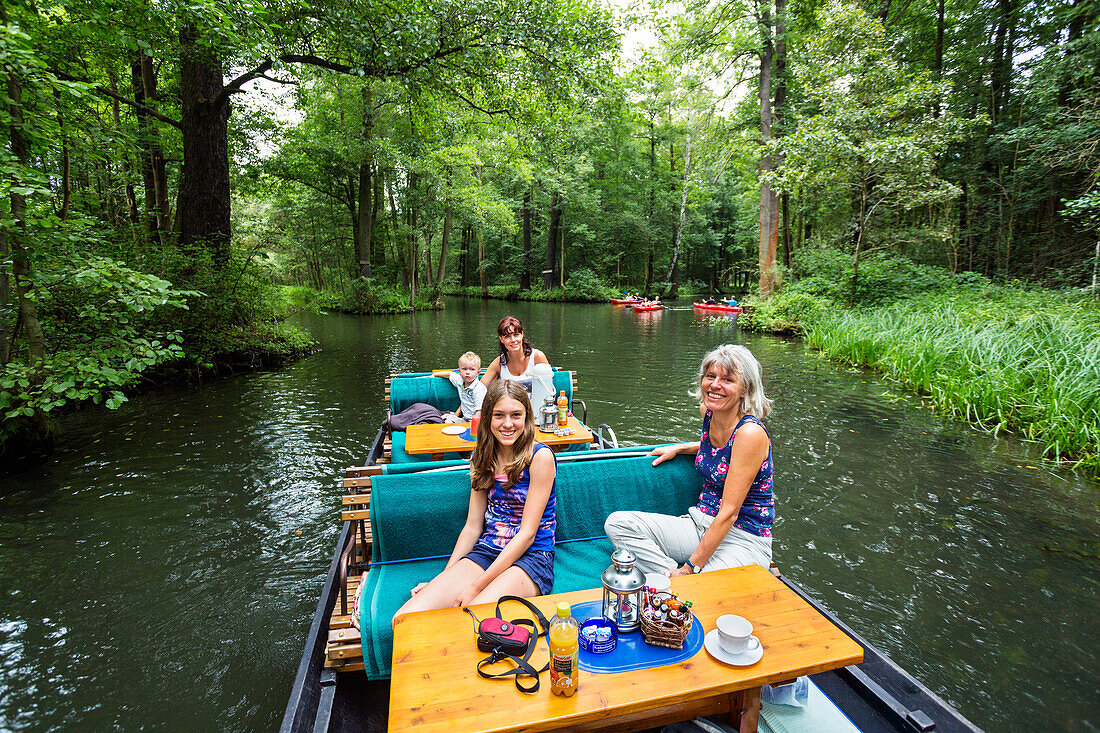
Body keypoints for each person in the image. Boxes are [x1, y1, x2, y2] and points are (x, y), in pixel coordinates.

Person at [604, 344, 774, 575]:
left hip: (742, 538)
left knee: (700, 585)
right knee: (618, 524)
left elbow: (729, 513)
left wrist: (690, 568)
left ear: (745, 389)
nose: (715, 385)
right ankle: (671, 579)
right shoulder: (709, 413)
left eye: (727, 380)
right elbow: (720, 449)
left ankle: (683, 582)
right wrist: (681, 448)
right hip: (700, 523)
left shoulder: (750, 433)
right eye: (710, 376)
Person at [394, 380, 558, 617]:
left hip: (531, 557)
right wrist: (443, 579)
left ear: (527, 417)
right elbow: (472, 527)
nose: (508, 424)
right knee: (405, 619)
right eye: (499, 415)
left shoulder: (539, 458)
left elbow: (527, 534)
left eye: (516, 415)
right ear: (488, 418)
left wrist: (475, 586)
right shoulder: (481, 457)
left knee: (466, 617)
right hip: (488, 549)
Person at [480, 316, 550, 400]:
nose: (513, 340)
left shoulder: (537, 357)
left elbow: (548, 390)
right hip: (509, 410)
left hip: (535, 410)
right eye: (507, 337)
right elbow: (480, 389)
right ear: (501, 339)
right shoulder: (499, 363)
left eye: (516, 335)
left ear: (522, 335)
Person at [433, 351, 487, 423]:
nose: (468, 372)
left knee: (449, 422)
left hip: (477, 421)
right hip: (465, 419)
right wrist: (434, 375)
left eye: (472, 369)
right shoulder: (459, 380)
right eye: (464, 369)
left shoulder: (479, 389)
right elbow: (449, 374)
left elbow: (479, 413)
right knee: (445, 420)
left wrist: (474, 429)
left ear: (478, 373)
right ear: (459, 371)